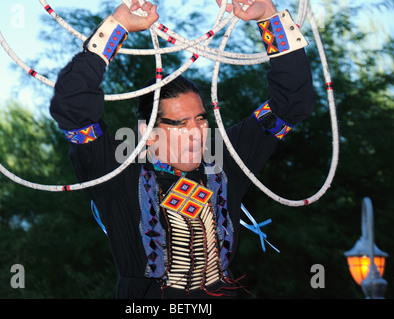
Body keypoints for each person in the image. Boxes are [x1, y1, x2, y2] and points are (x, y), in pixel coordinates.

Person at [49, 0, 315, 299]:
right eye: (179, 123)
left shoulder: (226, 159)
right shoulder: (116, 172)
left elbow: (291, 104)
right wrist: (117, 27)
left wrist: (268, 17)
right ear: (147, 134)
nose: (196, 134)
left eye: (201, 120)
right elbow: (72, 109)